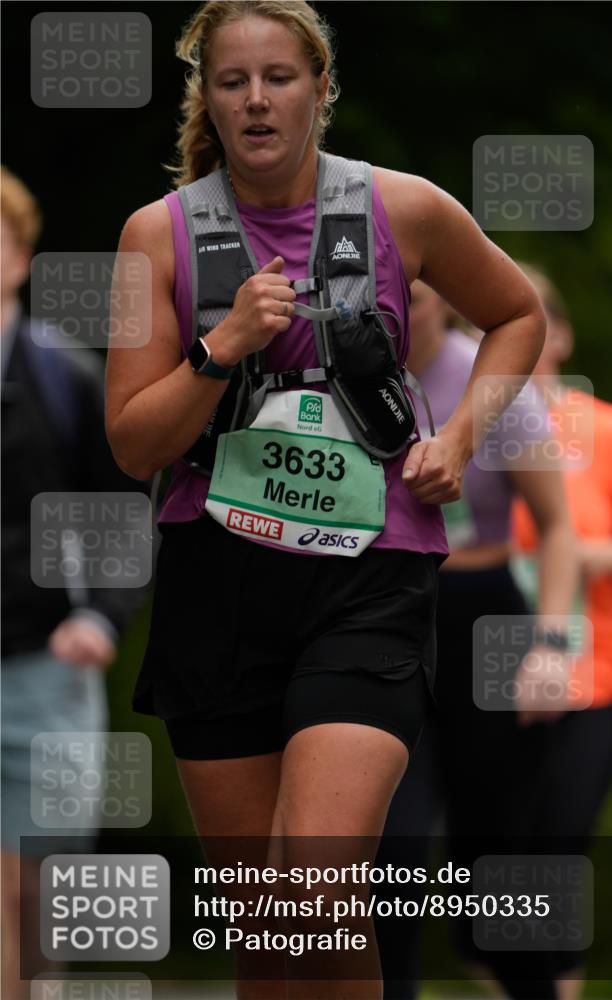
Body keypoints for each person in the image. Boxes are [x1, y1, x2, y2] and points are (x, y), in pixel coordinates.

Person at [105, 3, 546, 995]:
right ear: (207, 100)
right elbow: (133, 440)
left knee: (313, 883)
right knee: (271, 931)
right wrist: (221, 349)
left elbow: (516, 314)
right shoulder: (155, 236)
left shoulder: (406, 209)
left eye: (279, 77)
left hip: (368, 580)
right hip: (217, 584)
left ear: (321, 87)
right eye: (232, 81)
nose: (257, 99)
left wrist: (462, 435)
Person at [375, 281, 576, 1000]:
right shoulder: (344, 372)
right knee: (386, 856)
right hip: (382, 611)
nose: (396, 311)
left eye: (414, 297)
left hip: (482, 617)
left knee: (491, 864)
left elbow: (557, 529)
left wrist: (552, 645)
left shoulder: (488, 383)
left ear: (446, 302)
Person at [0, 166, 149, 999]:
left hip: (50, 667)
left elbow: (126, 514)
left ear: (22, 258)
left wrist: (101, 614)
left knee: (38, 884)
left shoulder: (71, 380)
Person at [511, 264, 612, 1000]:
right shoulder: (445, 426)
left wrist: (574, 548)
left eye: (531, 319)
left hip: (589, 675)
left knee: (553, 852)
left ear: (561, 336)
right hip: (459, 676)